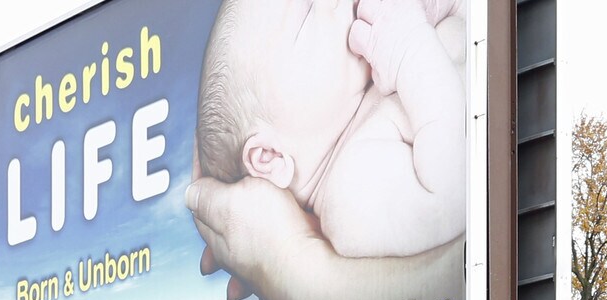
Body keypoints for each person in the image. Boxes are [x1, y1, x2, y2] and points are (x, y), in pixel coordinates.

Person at [195, 0, 466, 262]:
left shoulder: (371, 83)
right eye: (308, 10)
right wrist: (410, 51)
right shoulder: (350, 202)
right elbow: (452, 195)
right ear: (269, 156)